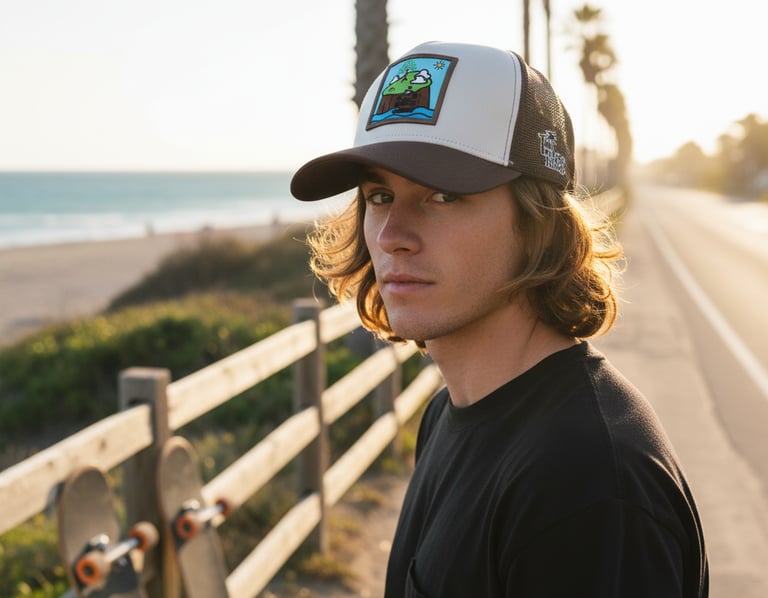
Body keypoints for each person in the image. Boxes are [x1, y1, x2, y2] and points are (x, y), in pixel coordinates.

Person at [290, 41, 708, 597]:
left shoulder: (585, 483)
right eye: (380, 195)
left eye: (443, 196)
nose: (391, 237)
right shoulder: (449, 412)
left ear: (539, 222)